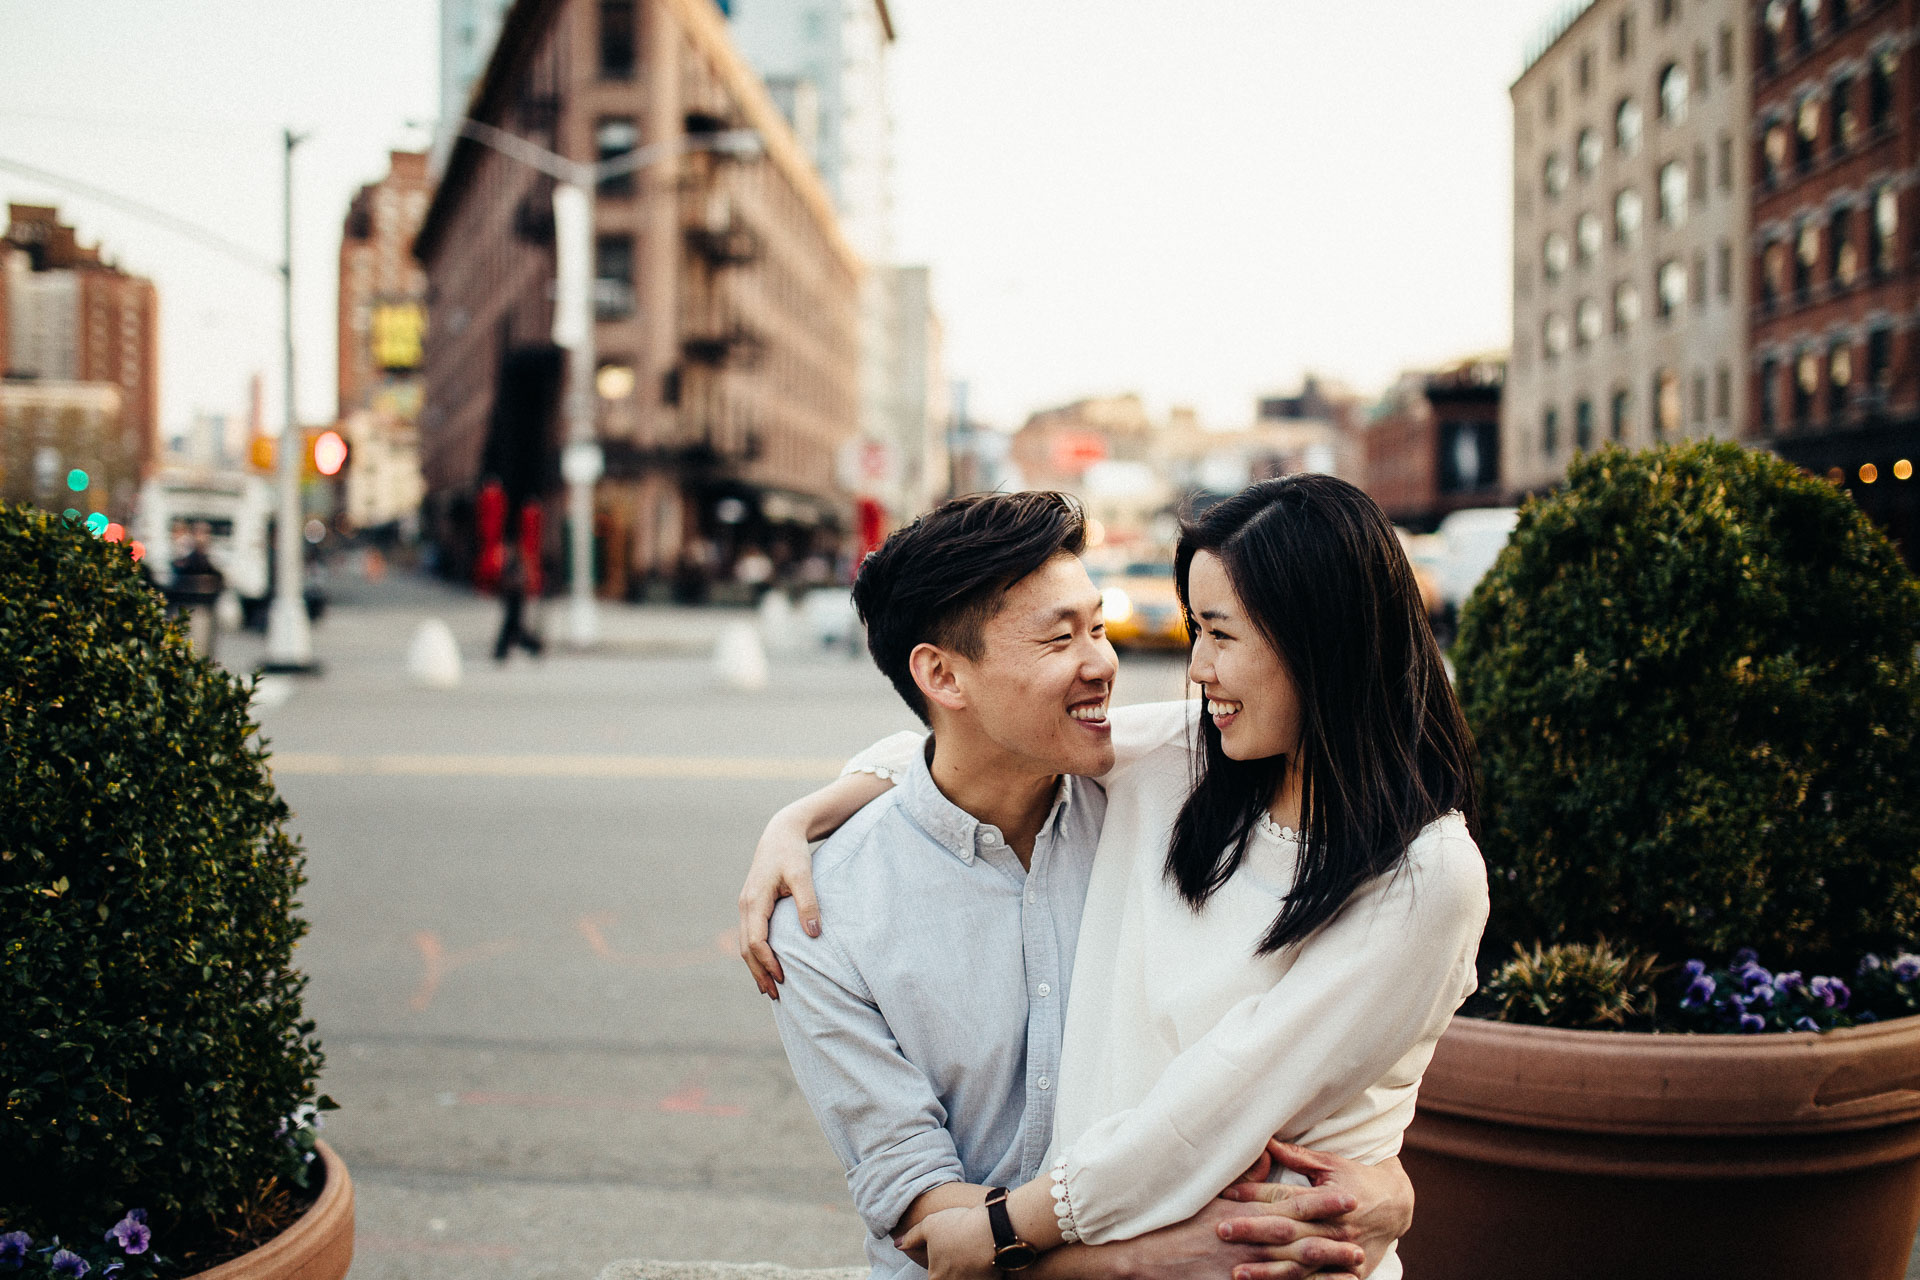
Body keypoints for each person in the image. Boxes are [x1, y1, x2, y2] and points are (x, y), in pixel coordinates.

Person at [744, 478, 1488, 1280]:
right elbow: (925, 1227)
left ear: (1319, 639)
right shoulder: (823, 919)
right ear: (945, 677)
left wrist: (1386, 1185)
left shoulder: (1195, 787)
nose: (1116, 662)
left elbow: (1230, 1096)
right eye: (1063, 638)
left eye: (1099, 627)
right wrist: (807, 815)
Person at [493, 543, 544, 662]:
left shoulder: (516, 562)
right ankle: (503, 649)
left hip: (515, 596)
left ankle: (531, 645)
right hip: (514, 596)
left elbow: (518, 581)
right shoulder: (512, 562)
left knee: (513, 626)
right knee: (513, 626)